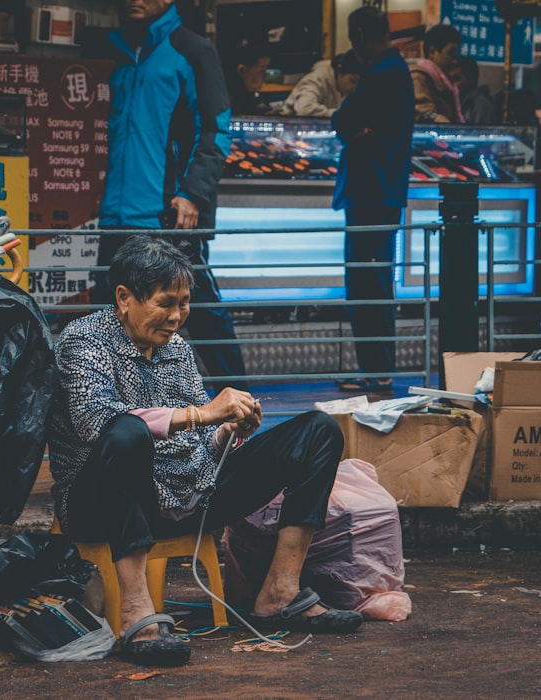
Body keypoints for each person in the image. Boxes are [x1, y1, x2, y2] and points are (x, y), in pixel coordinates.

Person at [48, 235, 360, 666]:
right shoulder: (83, 341)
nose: (177, 317)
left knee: (319, 431)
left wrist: (227, 431)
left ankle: (279, 591)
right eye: (165, 303)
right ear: (124, 297)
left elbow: (197, 443)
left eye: (184, 303)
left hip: (186, 497)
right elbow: (95, 422)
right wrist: (202, 413)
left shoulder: (178, 349)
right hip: (101, 504)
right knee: (125, 433)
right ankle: (135, 611)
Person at [93, 0, 248, 392]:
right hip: (117, 215)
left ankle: (242, 406)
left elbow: (216, 129)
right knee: (107, 317)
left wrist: (192, 193)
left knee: (201, 313)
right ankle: (113, 412)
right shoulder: (120, 53)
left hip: (168, 214)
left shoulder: (192, 49)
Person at [330, 6, 415, 393]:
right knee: (376, 282)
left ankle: (376, 371)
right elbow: (351, 125)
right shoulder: (395, 72)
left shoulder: (382, 75)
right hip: (383, 192)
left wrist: (354, 127)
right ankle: (376, 370)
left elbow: (343, 121)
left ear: (362, 34)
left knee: (366, 284)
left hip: (370, 193)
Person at [407, 24, 464, 123]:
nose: (454, 61)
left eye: (456, 54)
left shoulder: (446, 82)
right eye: (451, 53)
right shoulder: (419, 77)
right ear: (432, 51)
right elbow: (421, 109)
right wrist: (436, 118)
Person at [283, 50, 361, 118]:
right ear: (340, 71)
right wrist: (342, 116)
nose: (354, 88)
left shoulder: (341, 86)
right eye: (352, 81)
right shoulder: (317, 78)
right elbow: (305, 109)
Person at [224, 38, 272, 115]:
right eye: (261, 70)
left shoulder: (248, 95)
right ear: (242, 70)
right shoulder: (228, 106)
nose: (265, 76)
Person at [454, 56, 495, 125]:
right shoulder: (455, 100)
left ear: (471, 80)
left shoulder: (480, 103)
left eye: (457, 79)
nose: (453, 84)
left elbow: (480, 132)